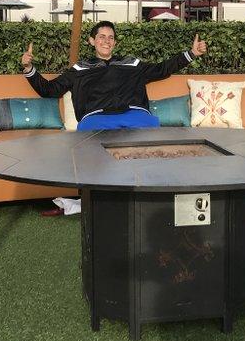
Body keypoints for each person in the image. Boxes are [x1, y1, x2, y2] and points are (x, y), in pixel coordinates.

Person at [21, 20, 207, 213]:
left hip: (135, 115)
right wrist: (28, 68)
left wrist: (192, 53)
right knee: (92, 149)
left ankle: (152, 197)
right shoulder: (79, 69)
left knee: (152, 146)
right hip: (96, 118)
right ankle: (97, 200)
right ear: (92, 41)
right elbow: (49, 90)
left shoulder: (132, 64)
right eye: (101, 37)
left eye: (110, 38)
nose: (106, 41)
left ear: (115, 43)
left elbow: (162, 69)